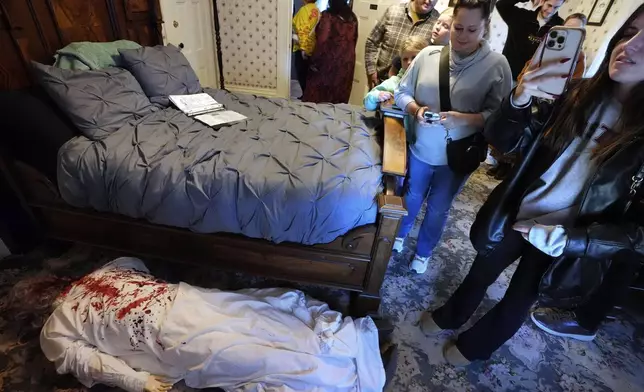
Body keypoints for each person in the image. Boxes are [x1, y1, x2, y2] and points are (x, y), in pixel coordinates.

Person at [419, 4, 644, 365]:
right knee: (482, 268)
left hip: (564, 237)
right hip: (522, 207)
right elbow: (506, 143)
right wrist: (519, 99)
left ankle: (477, 346)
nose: (629, 46)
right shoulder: (576, 93)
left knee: (519, 298)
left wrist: (573, 240)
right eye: (630, 32)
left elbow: (637, 232)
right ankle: (451, 314)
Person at [29, 257, 392, 391]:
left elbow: (142, 270)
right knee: (250, 356)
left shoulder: (109, 267)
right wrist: (137, 380)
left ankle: (353, 350)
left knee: (260, 316)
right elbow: (83, 360)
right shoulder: (55, 329)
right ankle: (347, 375)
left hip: (185, 300)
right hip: (165, 338)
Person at [392, 0, 512, 274]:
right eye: (458, 27)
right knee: (411, 196)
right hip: (422, 146)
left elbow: (501, 115)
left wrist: (465, 119)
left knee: (437, 208)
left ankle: (423, 252)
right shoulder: (429, 55)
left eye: (472, 29)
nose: (462, 36)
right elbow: (401, 92)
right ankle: (399, 235)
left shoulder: (497, 65)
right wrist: (416, 109)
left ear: (485, 29)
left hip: (458, 154)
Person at [489, 12, 589, 181]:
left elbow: (575, 83)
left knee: (527, 138)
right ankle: (501, 165)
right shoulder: (548, 46)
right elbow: (530, 65)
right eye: (567, 28)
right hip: (530, 94)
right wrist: (522, 81)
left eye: (576, 30)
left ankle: (511, 171)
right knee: (511, 128)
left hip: (550, 104)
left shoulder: (579, 58)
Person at [365, 0, 439, 89]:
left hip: (410, 91)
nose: (429, 1)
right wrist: (371, 71)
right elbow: (372, 41)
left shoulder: (438, 24)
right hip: (380, 82)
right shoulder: (393, 11)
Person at [302, 0, 358, 104]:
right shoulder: (353, 18)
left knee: (317, 100)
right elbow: (354, 42)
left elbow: (322, 41)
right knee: (337, 101)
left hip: (328, 64)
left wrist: (313, 61)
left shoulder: (328, 16)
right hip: (346, 65)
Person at [497, 0, 565, 80]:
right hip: (505, 74)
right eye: (549, 5)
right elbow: (501, 5)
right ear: (542, 1)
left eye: (556, 7)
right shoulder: (521, 16)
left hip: (532, 80)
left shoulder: (562, 27)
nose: (550, 11)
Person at [363, 36, 429, 111]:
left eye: (414, 57)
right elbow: (367, 103)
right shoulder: (394, 82)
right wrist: (376, 96)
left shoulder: (429, 84)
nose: (409, 62)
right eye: (405, 59)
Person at [388, 8, 455, 78]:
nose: (438, 27)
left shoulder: (452, 56)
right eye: (438, 22)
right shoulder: (421, 45)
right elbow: (393, 69)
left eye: (445, 26)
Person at [292, 0, 320, 95]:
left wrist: (303, 49)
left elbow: (302, 30)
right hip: (313, 48)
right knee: (308, 74)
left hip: (302, 48)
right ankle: (307, 94)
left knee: (301, 72)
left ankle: (305, 95)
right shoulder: (317, 10)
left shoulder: (304, 10)